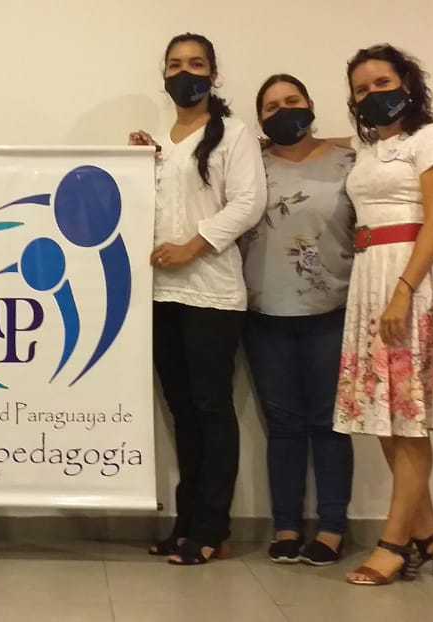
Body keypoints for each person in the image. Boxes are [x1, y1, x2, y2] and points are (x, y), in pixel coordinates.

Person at [334, 44, 433, 586]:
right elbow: (322, 147)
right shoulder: (366, 149)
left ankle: (392, 544)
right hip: (370, 276)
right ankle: (429, 534)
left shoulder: (429, 138)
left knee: (407, 420)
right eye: (361, 89)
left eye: (382, 83)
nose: (372, 94)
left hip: (407, 279)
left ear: (407, 85)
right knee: (387, 418)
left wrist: (402, 292)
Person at [129, 33, 266, 566]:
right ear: (163, 75)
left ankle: (212, 528)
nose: (185, 73)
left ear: (214, 74)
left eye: (196, 63)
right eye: (175, 64)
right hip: (159, 294)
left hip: (211, 293)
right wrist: (136, 163)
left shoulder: (233, 134)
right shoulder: (160, 142)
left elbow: (249, 202)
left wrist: (194, 245)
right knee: (181, 411)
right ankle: (186, 523)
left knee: (211, 409)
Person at [240, 74, 356, 566]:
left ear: (310, 104)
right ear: (260, 119)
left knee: (330, 423)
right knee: (283, 426)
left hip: (333, 310)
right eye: (271, 106)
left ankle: (332, 528)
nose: (283, 110)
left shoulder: (349, 162)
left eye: (292, 100)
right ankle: (285, 526)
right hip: (264, 312)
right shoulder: (249, 166)